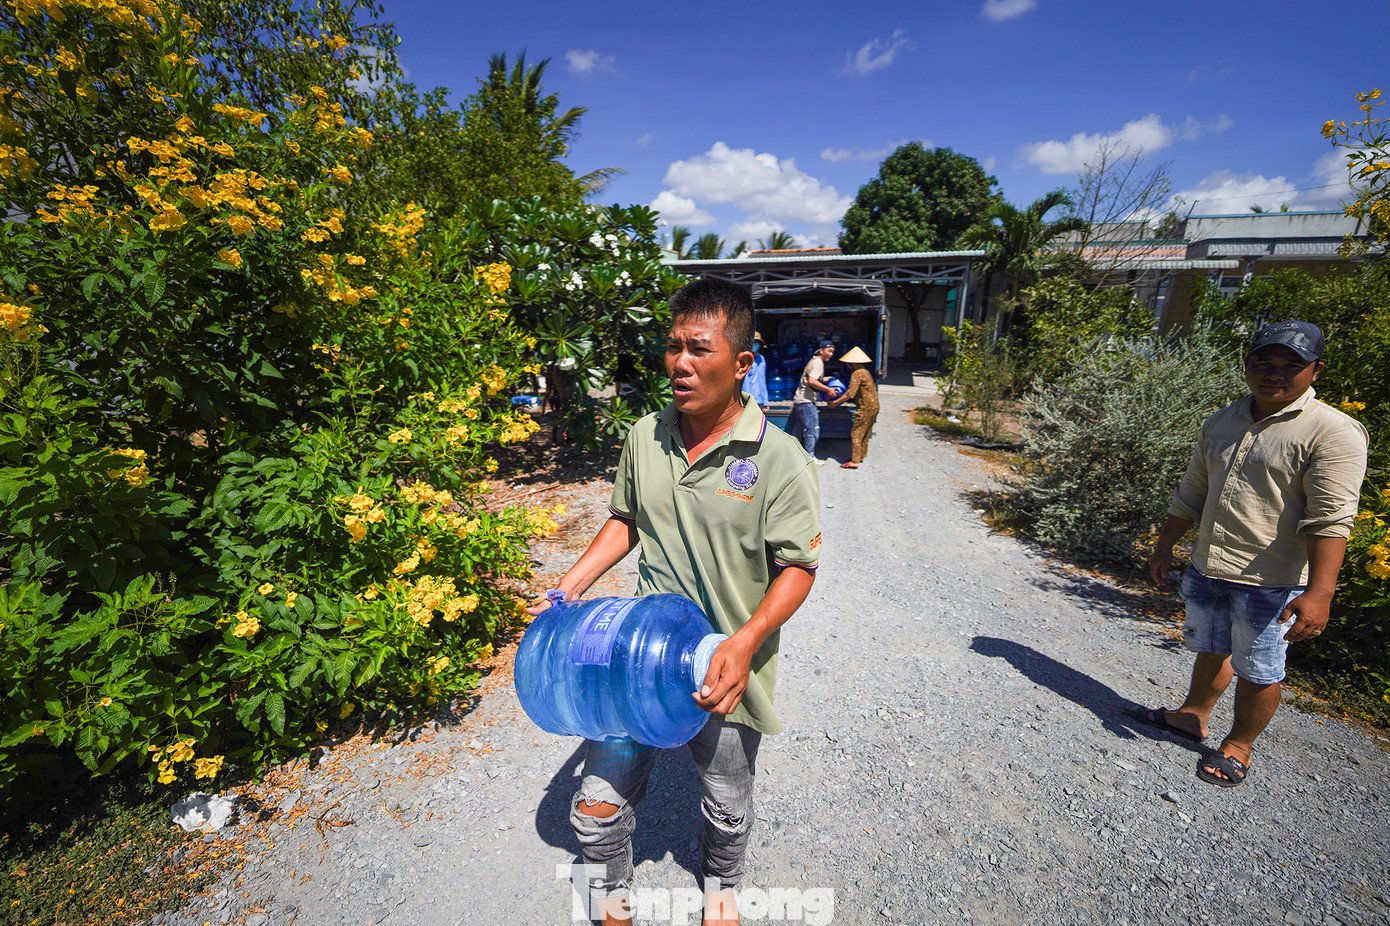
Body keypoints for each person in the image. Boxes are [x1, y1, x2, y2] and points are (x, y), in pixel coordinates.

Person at [528, 277, 822, 925]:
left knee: (725, 799)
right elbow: (625, 520)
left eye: (699, 349)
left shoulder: (779, 460)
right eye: (672, 347)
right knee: (596, 801)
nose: (680, 363)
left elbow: (797, 567)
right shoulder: (645, 436)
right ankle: (611, 894)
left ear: (741, 363)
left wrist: (745, 644)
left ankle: (721, 879)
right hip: (641, 658)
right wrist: (571, 584)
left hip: (726, 664)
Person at [1135, 320, 1368, 789]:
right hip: (1210, 564)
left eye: (1291, 365)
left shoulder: (1333, 432)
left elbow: (1331, 520)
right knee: (1213, 646)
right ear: (1247, 365)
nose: (1275, 373)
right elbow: (1193, 490)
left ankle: (1238, 746)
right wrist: (1165, 545)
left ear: (1315, 370)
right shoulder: (1224, 420)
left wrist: (1320, 593)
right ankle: (1192, 715)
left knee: (1259, 669)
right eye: (1264, 362)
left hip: (1272, 579)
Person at [828, 346, 879, 469]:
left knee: (856, 433)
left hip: (865, 408)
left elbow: (850, 393)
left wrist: (835, 403)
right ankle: (860, 455)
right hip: (874, 406)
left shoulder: (857, 374)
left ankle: (854, 461)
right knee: (865, 432)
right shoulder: (865, 371)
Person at [788, 340, 836, 463]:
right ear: (821, 350)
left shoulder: (814, 361)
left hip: (800, 400)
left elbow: (815, 378)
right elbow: (812, 381)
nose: (831, 354)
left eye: (832, 352)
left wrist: (827, 379)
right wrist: (828, 390)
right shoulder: (818, 363)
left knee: (798, 429)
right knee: (812, 430)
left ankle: (793, 455)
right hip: (807, 402)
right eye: (829, 351)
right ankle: (810, 457)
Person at [744, 331, 770, 408]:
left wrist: (765, 401)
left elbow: (762, 381)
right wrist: (747, 400)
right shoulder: (744, 359)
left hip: (759, 401)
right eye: (753, 342)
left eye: (757, 342)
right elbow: (745, 382)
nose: (754, 344)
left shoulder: (761, 359)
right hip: (746, 401)